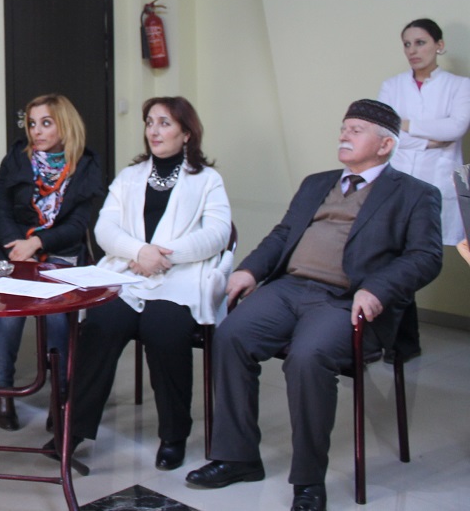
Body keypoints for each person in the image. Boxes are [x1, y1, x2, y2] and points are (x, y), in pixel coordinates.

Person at [186, 100, 443, 511]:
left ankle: (308, 481)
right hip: (289, 288)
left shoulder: (415, 194)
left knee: (308, 357)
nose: (344, 135)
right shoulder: (316, 183)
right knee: (231, 335)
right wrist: (250, 270)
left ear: (385, 145)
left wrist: (377, 290)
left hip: (346, 300)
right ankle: (237, 458)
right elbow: (283, 233)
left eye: (356, 130)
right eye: (344, 127)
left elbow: (426, 257)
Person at [70, 97, 232, 470]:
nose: (154, 131)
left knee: (164, 329)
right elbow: (105, 228)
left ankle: (173, 435)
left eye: (164, 123)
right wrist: (140, 252)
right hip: (130, 274)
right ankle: (74, 428)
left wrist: (163, 257)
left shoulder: (207, 180)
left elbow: (218, 233)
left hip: (180, 277)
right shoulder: (130, 176)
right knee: (101, 322)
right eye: (149, 123)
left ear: (186, 133)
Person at [0, 93, 103, 431]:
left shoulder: (86, 165)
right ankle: (2, 392)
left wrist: (38, 243)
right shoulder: (16, 159)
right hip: (14, 250)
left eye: (46, 123)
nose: (36, 131)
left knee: (56, 318)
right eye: (32, 123)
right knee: (9, 312)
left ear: (65, 125)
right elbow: (0, 209)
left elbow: (78, 225)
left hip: (60, 250)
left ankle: (60, 396)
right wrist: (18, 246)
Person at [377, 18, 470, 362]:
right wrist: (429, 138)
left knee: (441, 254)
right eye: (407, 44)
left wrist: (406, 126)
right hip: (398, 183)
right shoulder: (391, 86)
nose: (412, 50)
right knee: (397, 259)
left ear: (439, 46)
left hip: (438, 182)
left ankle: (404, 341)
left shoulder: (460, 86)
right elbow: (383, 130)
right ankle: (402, 342)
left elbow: (456, 128)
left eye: (420, 42)